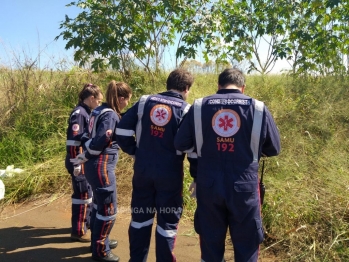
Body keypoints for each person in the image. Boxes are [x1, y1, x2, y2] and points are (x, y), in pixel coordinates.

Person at [174, 68, 281, 262]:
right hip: (244, 186)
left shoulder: (199, 106)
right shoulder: (257, 108)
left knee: (210, 243)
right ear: (243, 87)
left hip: (208, 184)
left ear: (218, 85)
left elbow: (180, 143)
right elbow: (274, 148)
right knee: (247, 244)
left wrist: (206, 146)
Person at [115, 68, 197, 261]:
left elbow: (122, 131)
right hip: (169, 175)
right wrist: (196, 175)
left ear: (168, 85)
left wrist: (135, 151)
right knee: (167, 224)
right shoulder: (186, 109)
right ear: (186, 89)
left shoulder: (145, 102)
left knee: (140, 219)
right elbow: (192, 148)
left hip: (143, 172)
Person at [70, 80, 132, 262]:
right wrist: (87, 155)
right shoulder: (110, 115)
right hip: (101, 165)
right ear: (121, 98)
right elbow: (100, 141)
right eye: (127, 99)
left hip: (95, 166)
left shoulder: (98, 110)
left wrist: (85, 156)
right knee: (108, 208)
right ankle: (100, 250)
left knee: (98, 205)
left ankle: (97, 241)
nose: (127, 102)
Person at [65, 83, 103, 242]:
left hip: (82, 160)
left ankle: (83, 224)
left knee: (87, 193)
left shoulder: (87, 112)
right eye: (99, 101)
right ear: (92, 98)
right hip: (78, 160)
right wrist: (77, 163)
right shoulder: (80, 114)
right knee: (83, 195)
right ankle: (79, 231)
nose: (99, 104)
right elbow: (74, 142)